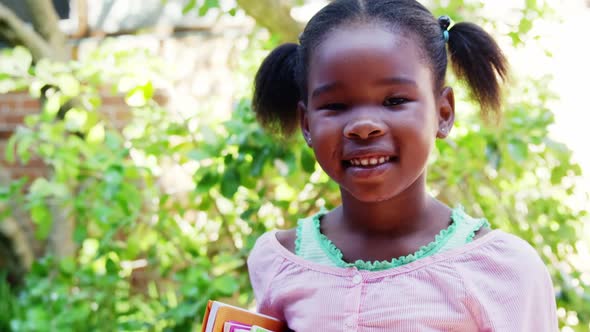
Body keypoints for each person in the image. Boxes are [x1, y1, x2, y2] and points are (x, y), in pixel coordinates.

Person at [247, 0, 558, 330]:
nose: (364, 125)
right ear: (307, 124)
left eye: (394, 101)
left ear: (443, 113)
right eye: (335, 105)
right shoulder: (280, 262)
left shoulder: (502, 271)